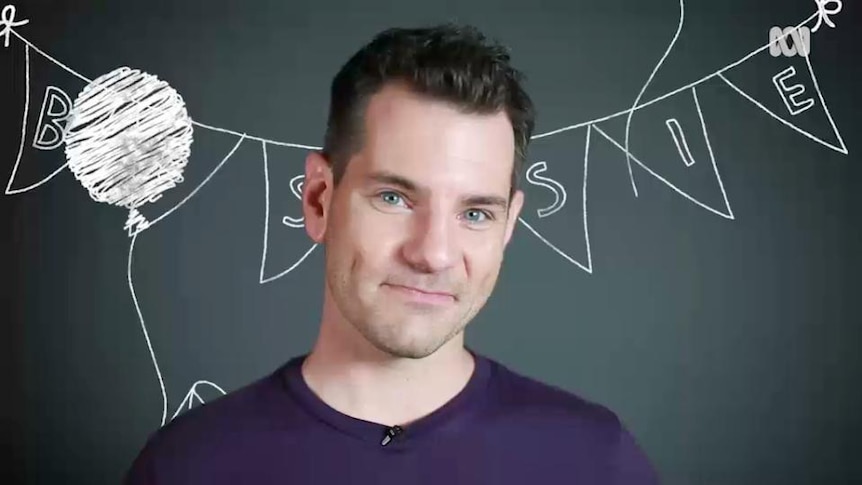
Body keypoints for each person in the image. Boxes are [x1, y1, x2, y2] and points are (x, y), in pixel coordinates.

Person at [125, 23, 660, 484]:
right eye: (394, 198)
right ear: (319, 199)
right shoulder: (187, 468)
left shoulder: (594, 462)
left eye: (476, 213)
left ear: (508, 227)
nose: (433, 253)